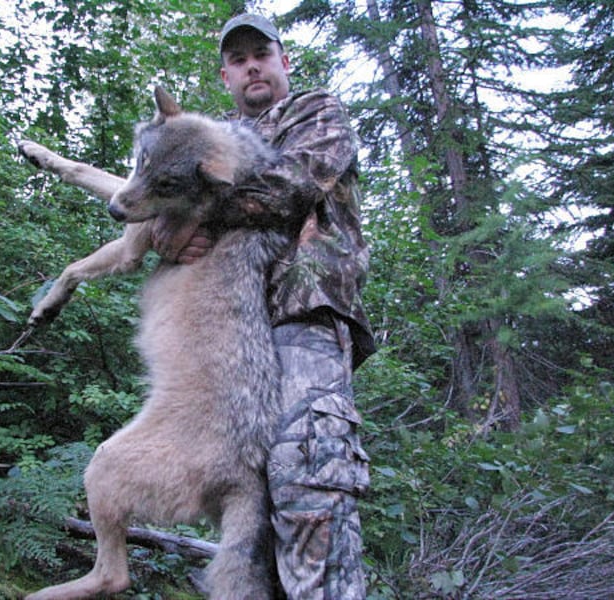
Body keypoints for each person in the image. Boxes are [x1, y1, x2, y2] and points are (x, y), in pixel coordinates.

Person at [153, 13, 376, 600]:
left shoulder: (315, 111)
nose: (252, 66)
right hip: (223, 333)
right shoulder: (205, 138)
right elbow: (160, 211)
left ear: (283, 62)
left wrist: (188, 214)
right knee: (244, 502)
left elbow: (295, 184)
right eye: (239, 59)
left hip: (302, 315)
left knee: (308, 482)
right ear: (225, 75)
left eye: (263, 54)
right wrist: (164, 235)